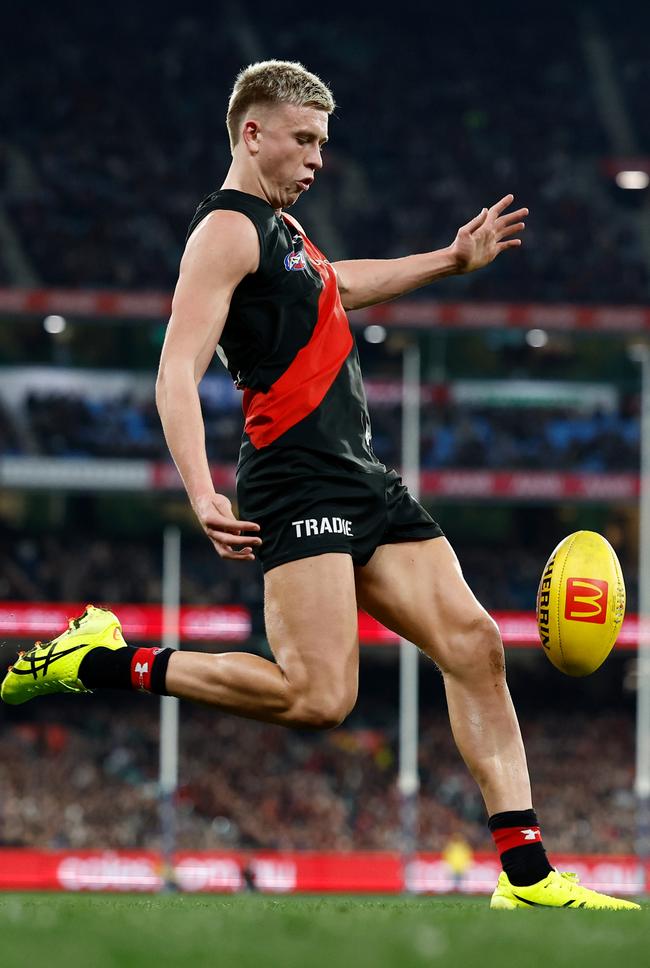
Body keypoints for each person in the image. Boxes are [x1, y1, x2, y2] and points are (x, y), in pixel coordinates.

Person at [2, 60, 638, 911]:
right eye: (303, 140)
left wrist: (447, 261)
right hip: (297, 479)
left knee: (475, 646)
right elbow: (175, 370)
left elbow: (343, 286)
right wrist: (200, 493)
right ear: (250, 133)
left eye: (324, 145)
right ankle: (104, 661)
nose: (317, 160)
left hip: (363, 476)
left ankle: (526, 876)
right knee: (317, 698)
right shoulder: (227, 231)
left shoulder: (287, 235)